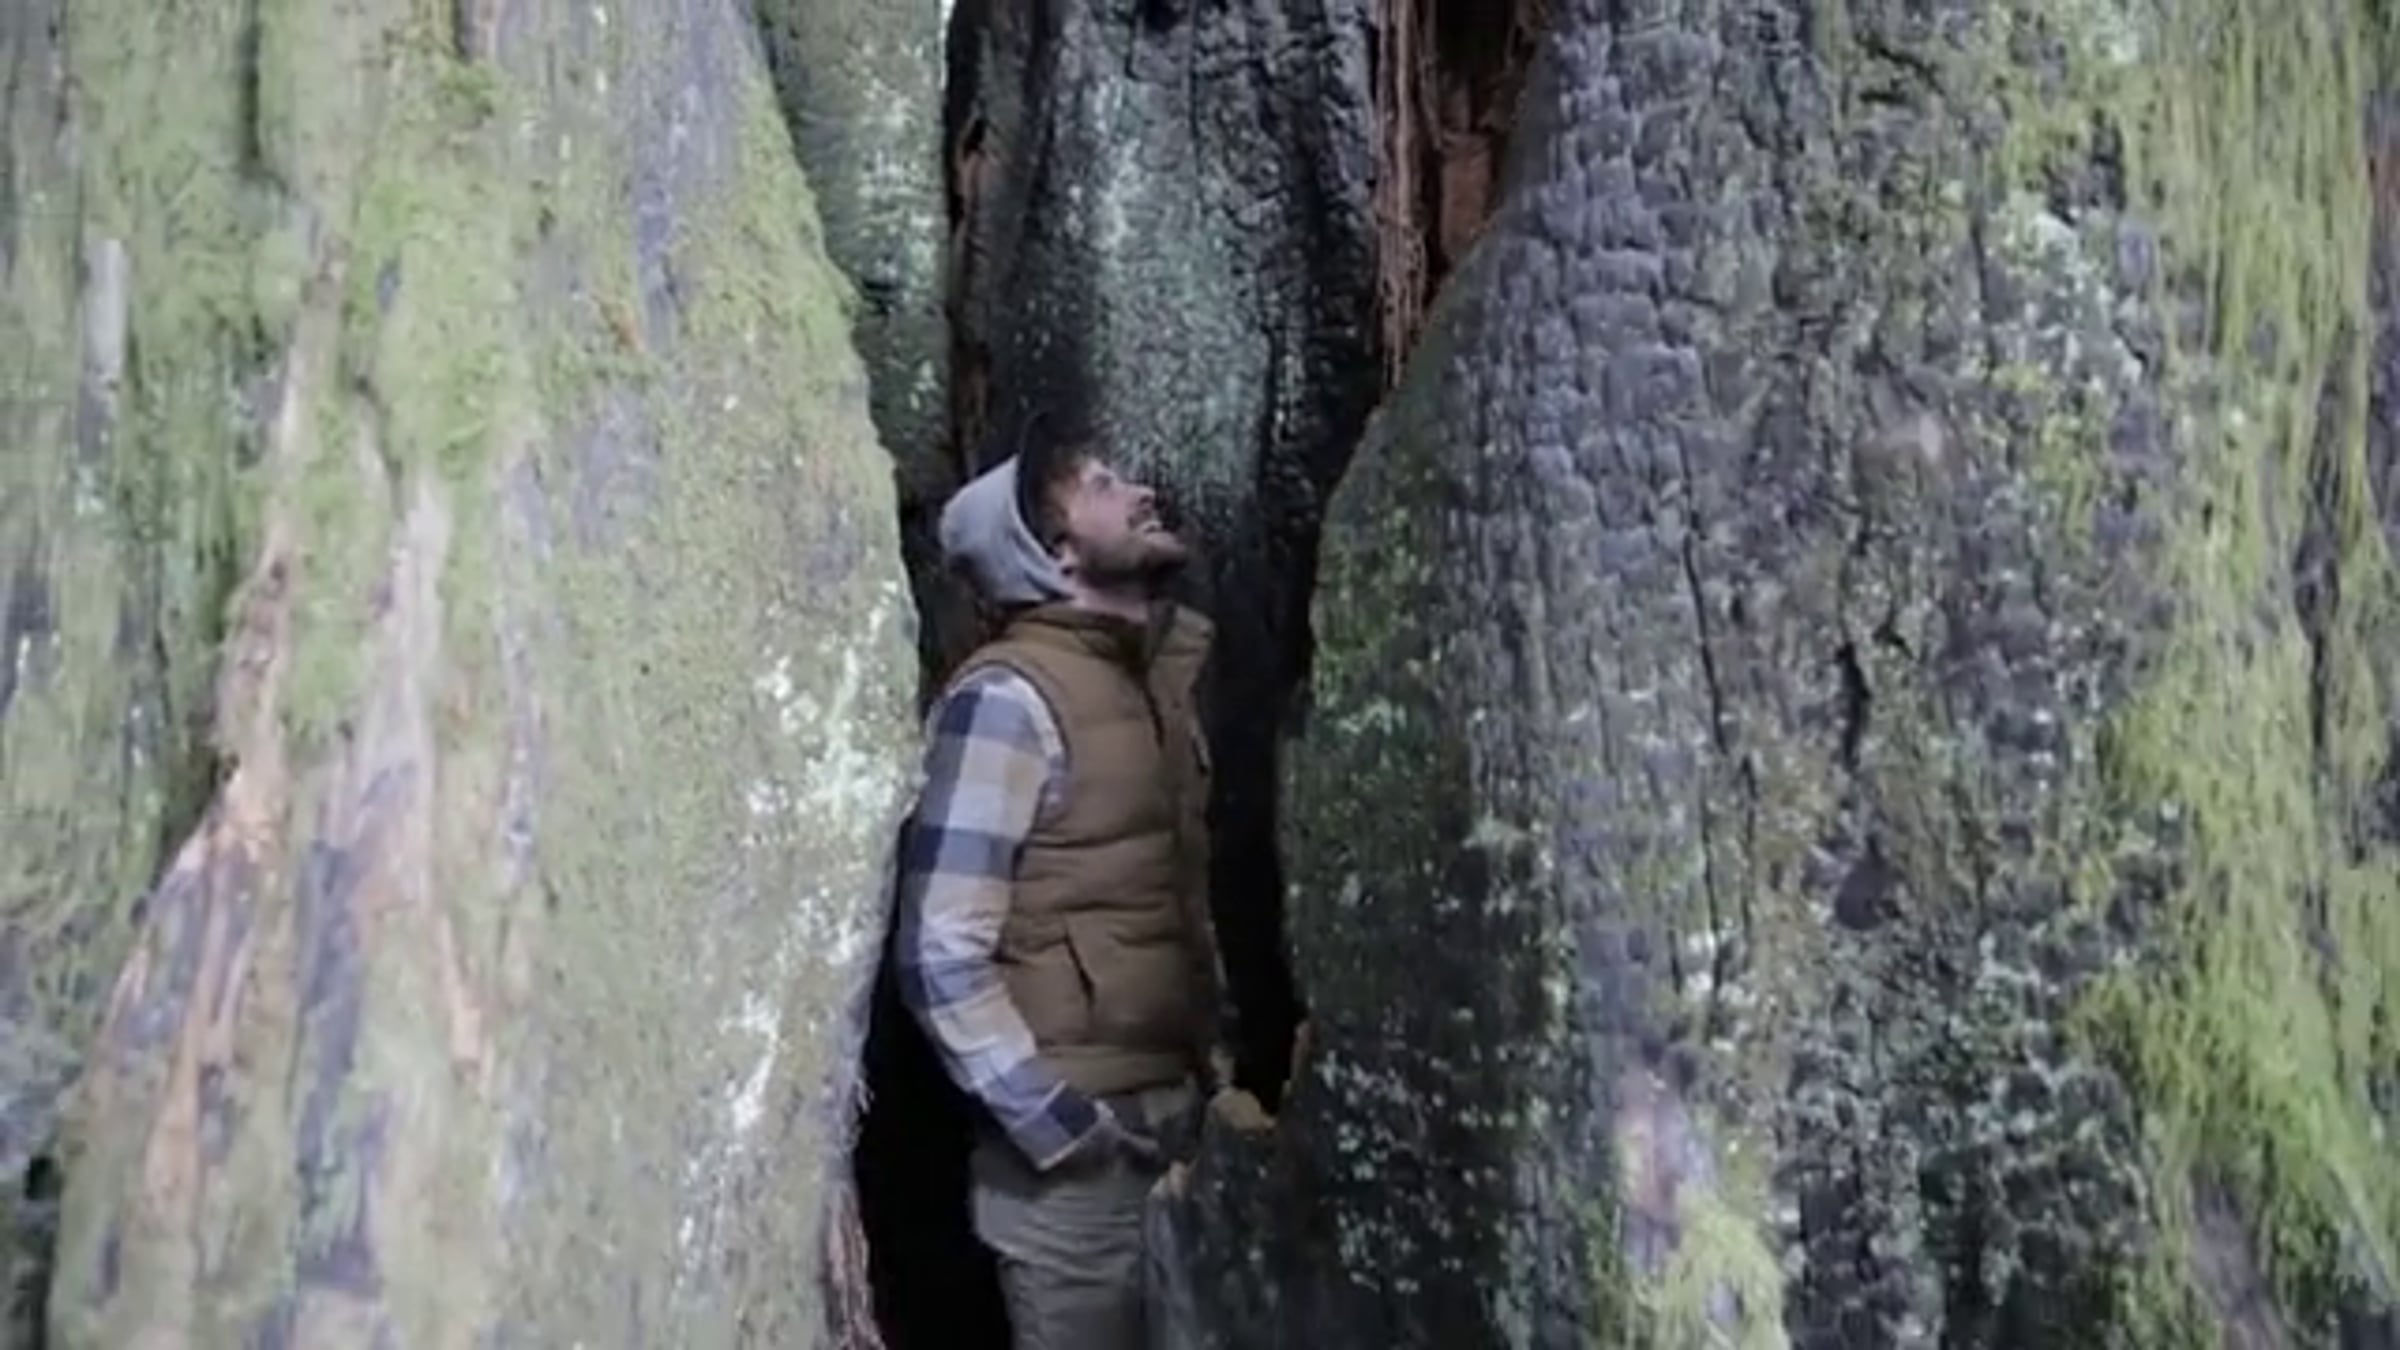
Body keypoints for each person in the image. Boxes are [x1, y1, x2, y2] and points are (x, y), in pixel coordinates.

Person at [891, 425, 1226, 1350]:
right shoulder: (1006, 702)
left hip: (1182, 1125)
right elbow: (938, 949)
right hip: (1078, 1168)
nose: (1140, 493)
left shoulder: (1147, 682)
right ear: (1056, 552)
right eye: (1104, 486)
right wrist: (1057, 1125)